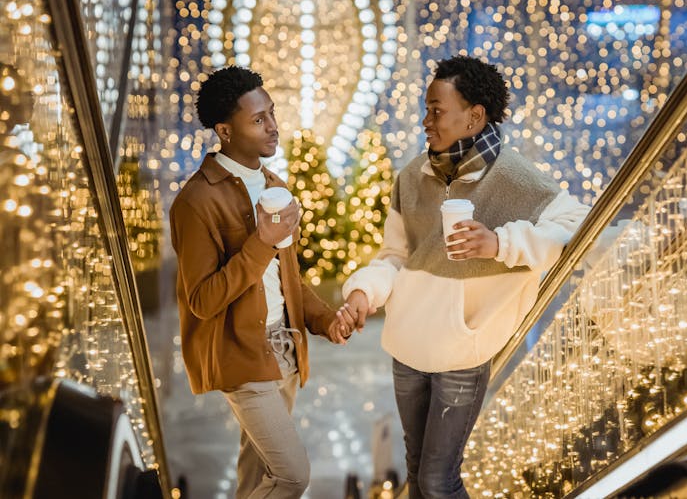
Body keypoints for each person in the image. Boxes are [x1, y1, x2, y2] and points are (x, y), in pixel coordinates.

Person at [338, 56, 590, 498]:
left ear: (475, 116)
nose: (426, 120)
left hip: (461, 352)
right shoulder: (412, 176)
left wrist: (500, 243)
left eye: (437, 109)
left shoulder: (513, 177)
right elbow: (395, 255)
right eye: (426, 108)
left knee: (438, 480)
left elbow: (576, 226)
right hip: (407, 346)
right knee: (417, 473)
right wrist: (363, 292)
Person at [169, 66, 351, 499]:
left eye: (271, 113)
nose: (273, 127)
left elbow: (288, 279)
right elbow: (202, 299)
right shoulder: (196, 202)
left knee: (257, 475)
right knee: (291, 475)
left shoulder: (274, 186)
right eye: (258, 120)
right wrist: (262, 242)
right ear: (225, 131)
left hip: (284, 350)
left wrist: (326, 320)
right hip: (242, 354)